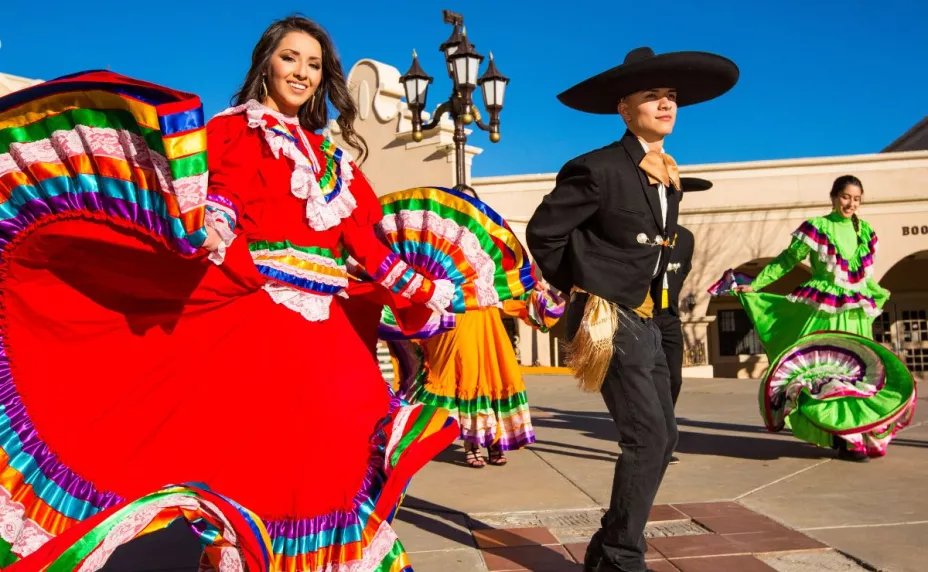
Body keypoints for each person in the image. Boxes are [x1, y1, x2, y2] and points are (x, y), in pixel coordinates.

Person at [0, 16, 463, 571]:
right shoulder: (238, 129)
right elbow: (223, 193)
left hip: (331, 330)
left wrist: (421, 288)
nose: (302, 72)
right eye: (290, 58)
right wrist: (213, 227)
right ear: (265, 62)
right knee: (279, 465)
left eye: (314, 65)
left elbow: (362, 240)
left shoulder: (333, 157)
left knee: (344, 447)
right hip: (267, 321)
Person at [526, 47, 739, 572]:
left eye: (671, 97)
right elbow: (544, 234)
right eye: (653, 97)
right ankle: (622, 557)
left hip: (653, 319)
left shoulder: (667, 175)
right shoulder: (596, 168)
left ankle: (608, 546)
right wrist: (585, 289)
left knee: (662, 438)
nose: (667, 104)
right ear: (625, 109)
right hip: (609, 315)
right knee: (647, 437)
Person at [730, 175, 916, 462]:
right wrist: (756, 286)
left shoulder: (866, 232)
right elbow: (786, 260)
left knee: (859, 374)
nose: (851, 203)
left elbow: (865, 277)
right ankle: (843, 438)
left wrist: (876, 293)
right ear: (833, 197)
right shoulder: (817, 227)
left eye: (856, 199)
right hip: (823, 309)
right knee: (828, 372)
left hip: (855, 313)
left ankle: (854, 434)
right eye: (845, 197)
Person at [390, 186, 565, 468]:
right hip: (456, 327)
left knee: (494, 382)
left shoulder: (487, 250)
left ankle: (496, 445)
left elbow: (511, 287)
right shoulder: (441, 252)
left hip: (488, 327)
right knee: (465, 383)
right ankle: (471, 445)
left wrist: (535, 288)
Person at [653, 177, 711, 465]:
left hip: (670, 318)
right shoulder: (642, 234)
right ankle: (656, 442)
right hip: (642, 318)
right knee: (648, 382)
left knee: (673, 379)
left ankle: (659, 436)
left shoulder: (686, 238)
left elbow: (683, 271)